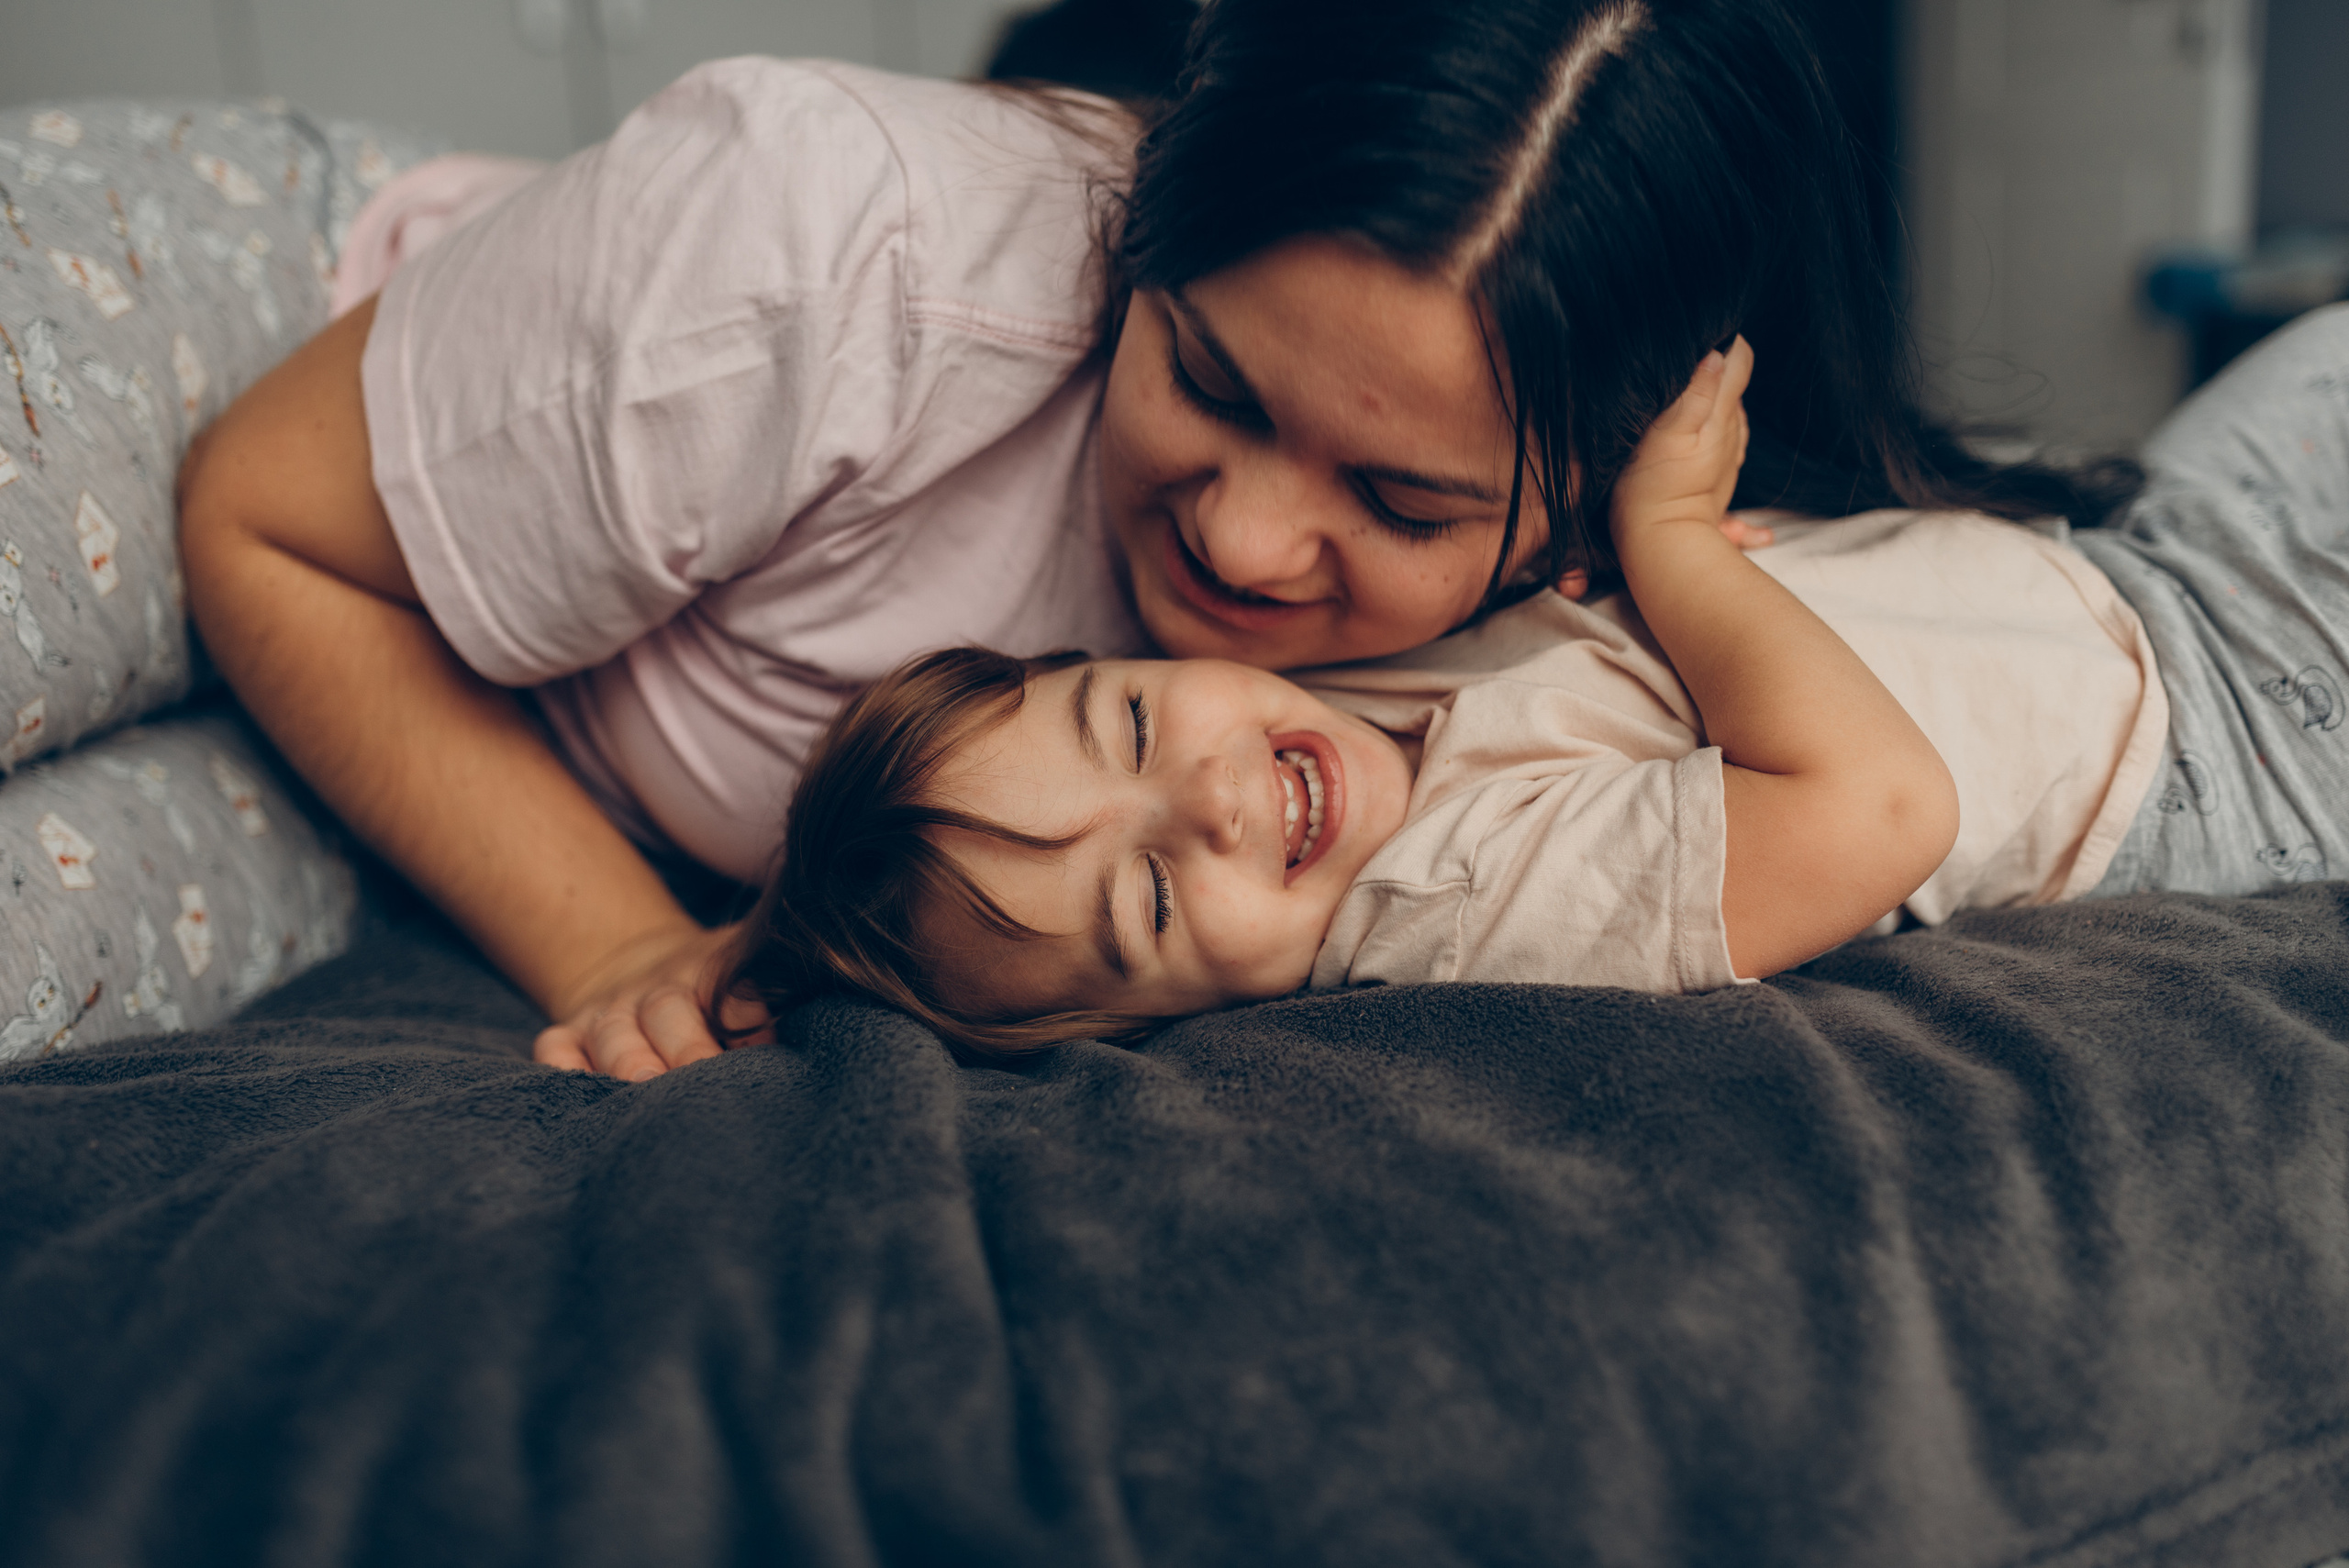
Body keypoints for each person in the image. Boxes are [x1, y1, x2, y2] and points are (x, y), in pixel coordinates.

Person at [175, 0, 2123, 1083]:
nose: (1253, 551)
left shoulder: (1616, 602)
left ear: (1591, 509)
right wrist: (619, 943)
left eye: (1403, 505)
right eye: (1211, 382)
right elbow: (269, 520)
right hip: (478, 391)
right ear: (1152, 233)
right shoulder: (814, 257)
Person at [719, 310, 2349, 1057]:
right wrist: (1675, 542)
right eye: (1148, 898)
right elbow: (1881, 806)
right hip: (2222, 744)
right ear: (1140, 1029)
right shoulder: (1454, 903)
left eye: (1134, 724)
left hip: (2146, 561)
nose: (1210, 796)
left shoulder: (1344, 691)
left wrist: (780, 920)